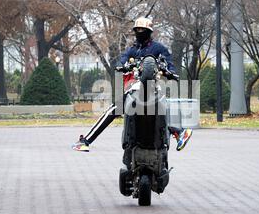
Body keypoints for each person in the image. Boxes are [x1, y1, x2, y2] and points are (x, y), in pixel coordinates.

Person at [72, 17, 193, 153]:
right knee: (114, 109)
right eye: (137, 30)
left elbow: (170, 65)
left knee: (163, 108)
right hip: (134, 86)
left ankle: (179, 132)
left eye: (143, 30)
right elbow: (122, 61)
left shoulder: (159, 48)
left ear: (149, 31)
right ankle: (86, 141)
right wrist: (121, 66)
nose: (140, 32)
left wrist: (171, 72)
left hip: (154, 86)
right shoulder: (131, 50)